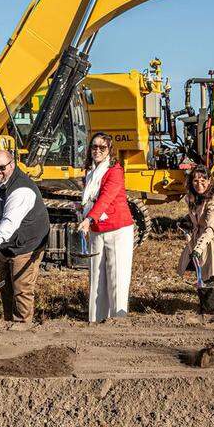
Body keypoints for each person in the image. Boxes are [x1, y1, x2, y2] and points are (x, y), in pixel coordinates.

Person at [0, 149, 49, 324]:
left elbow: (9, 222)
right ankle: (9, 325)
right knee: (6, 287)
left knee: (21, 288)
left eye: (2, 167)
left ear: (12, 165)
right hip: (6, 243)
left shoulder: (21, 189)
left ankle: (22, 327)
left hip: (27, 242)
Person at [79, 132, 135, 322]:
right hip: (97, 229)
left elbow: (106, 198)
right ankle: (96, 321)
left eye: (102, 147)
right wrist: (82, 208)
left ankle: (118, 320)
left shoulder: (115, 171)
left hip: (117, 229)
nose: (97, 150)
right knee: (96, 277)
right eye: (94, 146)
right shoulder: (90, 172)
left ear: (110, 150)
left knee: (117, 277)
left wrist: (89, 219)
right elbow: (91, 198)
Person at [177, 166, 214, 314]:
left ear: (209, 181)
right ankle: (205, 312)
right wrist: (186, 221)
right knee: (200, 280)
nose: (199, 184)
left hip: (213, 245)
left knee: (206, 282)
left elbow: (211, 229)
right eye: (195, 180)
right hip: (198, 242)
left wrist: (198, 249)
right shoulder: (193, 198)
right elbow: (197, 216)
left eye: (203, 180)